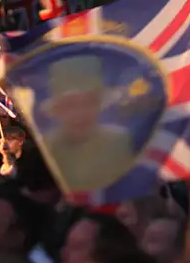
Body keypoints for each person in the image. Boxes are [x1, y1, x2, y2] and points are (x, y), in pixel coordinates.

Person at [33, 56, 139, 193]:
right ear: (59, 110)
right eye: (71, 105)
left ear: (98, 105)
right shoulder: (47, 147)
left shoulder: (118, 141)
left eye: (88, 103)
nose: (80, 114)